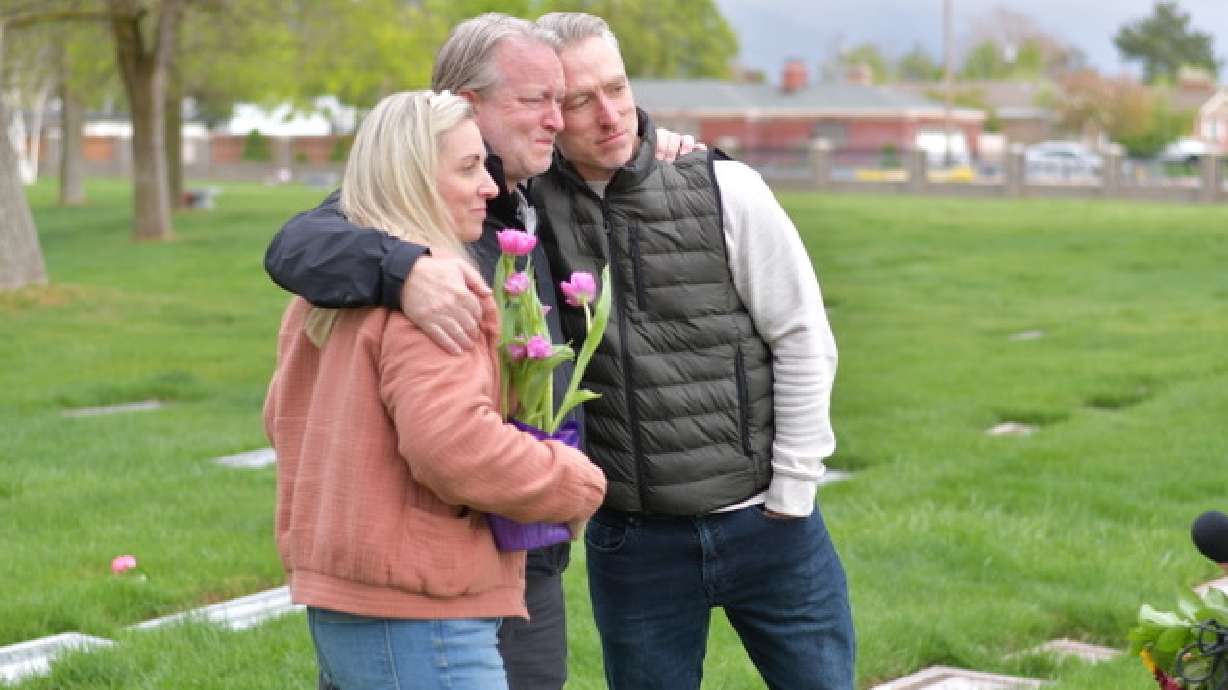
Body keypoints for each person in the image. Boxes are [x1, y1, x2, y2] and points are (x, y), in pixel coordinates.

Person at [263, 14, 696, 690]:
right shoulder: (424, 238)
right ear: (470, 106)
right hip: (439, 562)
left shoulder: (534, 185)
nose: (558, 119)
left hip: (477, 560)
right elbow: (294, 246)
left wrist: (658, 144)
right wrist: (407, 268)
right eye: (536, 101)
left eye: (564, 99)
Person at [525, 13, 854, 690]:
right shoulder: (527, 204)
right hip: (634, 543)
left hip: (771, 528)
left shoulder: (724, 188)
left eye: (616, 88)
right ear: (548, 113)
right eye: (580, 101)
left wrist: (793, 488)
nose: (611, 115)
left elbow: (803, 338)